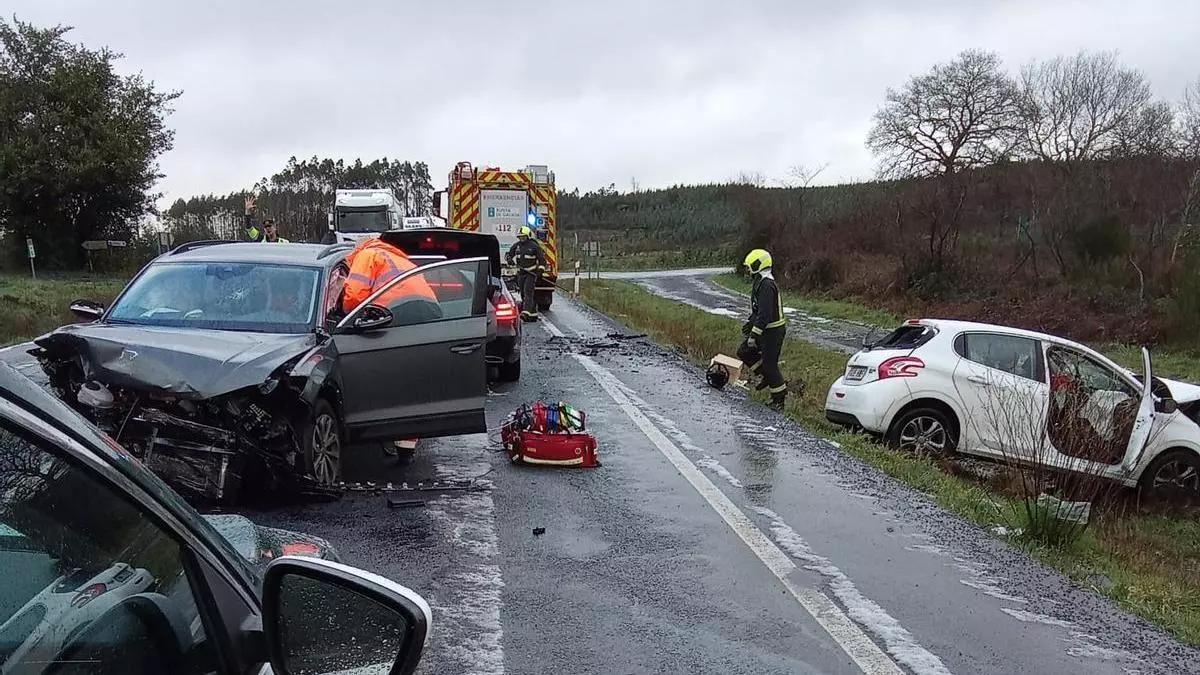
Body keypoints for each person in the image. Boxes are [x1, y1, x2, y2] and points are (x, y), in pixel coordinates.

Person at [340, 237, 439, 323]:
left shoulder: (366, 254)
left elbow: (355, 295)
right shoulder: (402, 260)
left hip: (398, 307)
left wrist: (347, 314)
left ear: (357, 249)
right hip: (431, 307)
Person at [738, 248, 788, 409]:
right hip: (766, 329)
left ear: (757, 265)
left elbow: (765, 314)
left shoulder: (767, 285)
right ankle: (766, 376)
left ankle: (779, 399)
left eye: (749, 267)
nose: (747, 270)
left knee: (770, 365)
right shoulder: (760, 282)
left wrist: (754, 335)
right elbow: (758, 310)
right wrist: (750, 323)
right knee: (744, 351)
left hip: (773, 331)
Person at [505, 226, 546, 321]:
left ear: (528, 236)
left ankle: (525, 312)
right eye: (520, 236)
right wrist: (509, 260)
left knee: (528, 292)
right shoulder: (516, 246)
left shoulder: (534, 246)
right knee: (523, 293)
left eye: (523, 236)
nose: (521, 238)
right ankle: (533, 315)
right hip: (521, 273)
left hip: (531, 273)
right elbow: (508, 255)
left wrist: (540, 271)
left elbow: (542, 260)